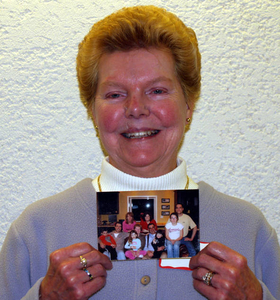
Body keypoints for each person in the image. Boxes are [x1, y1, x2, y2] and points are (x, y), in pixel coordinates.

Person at [0, 5, 279, 300]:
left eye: (157, 90)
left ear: (189, 105)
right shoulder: (35, 231)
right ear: (92, 111)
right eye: (115, 94)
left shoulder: (248, 229)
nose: (135, 109)